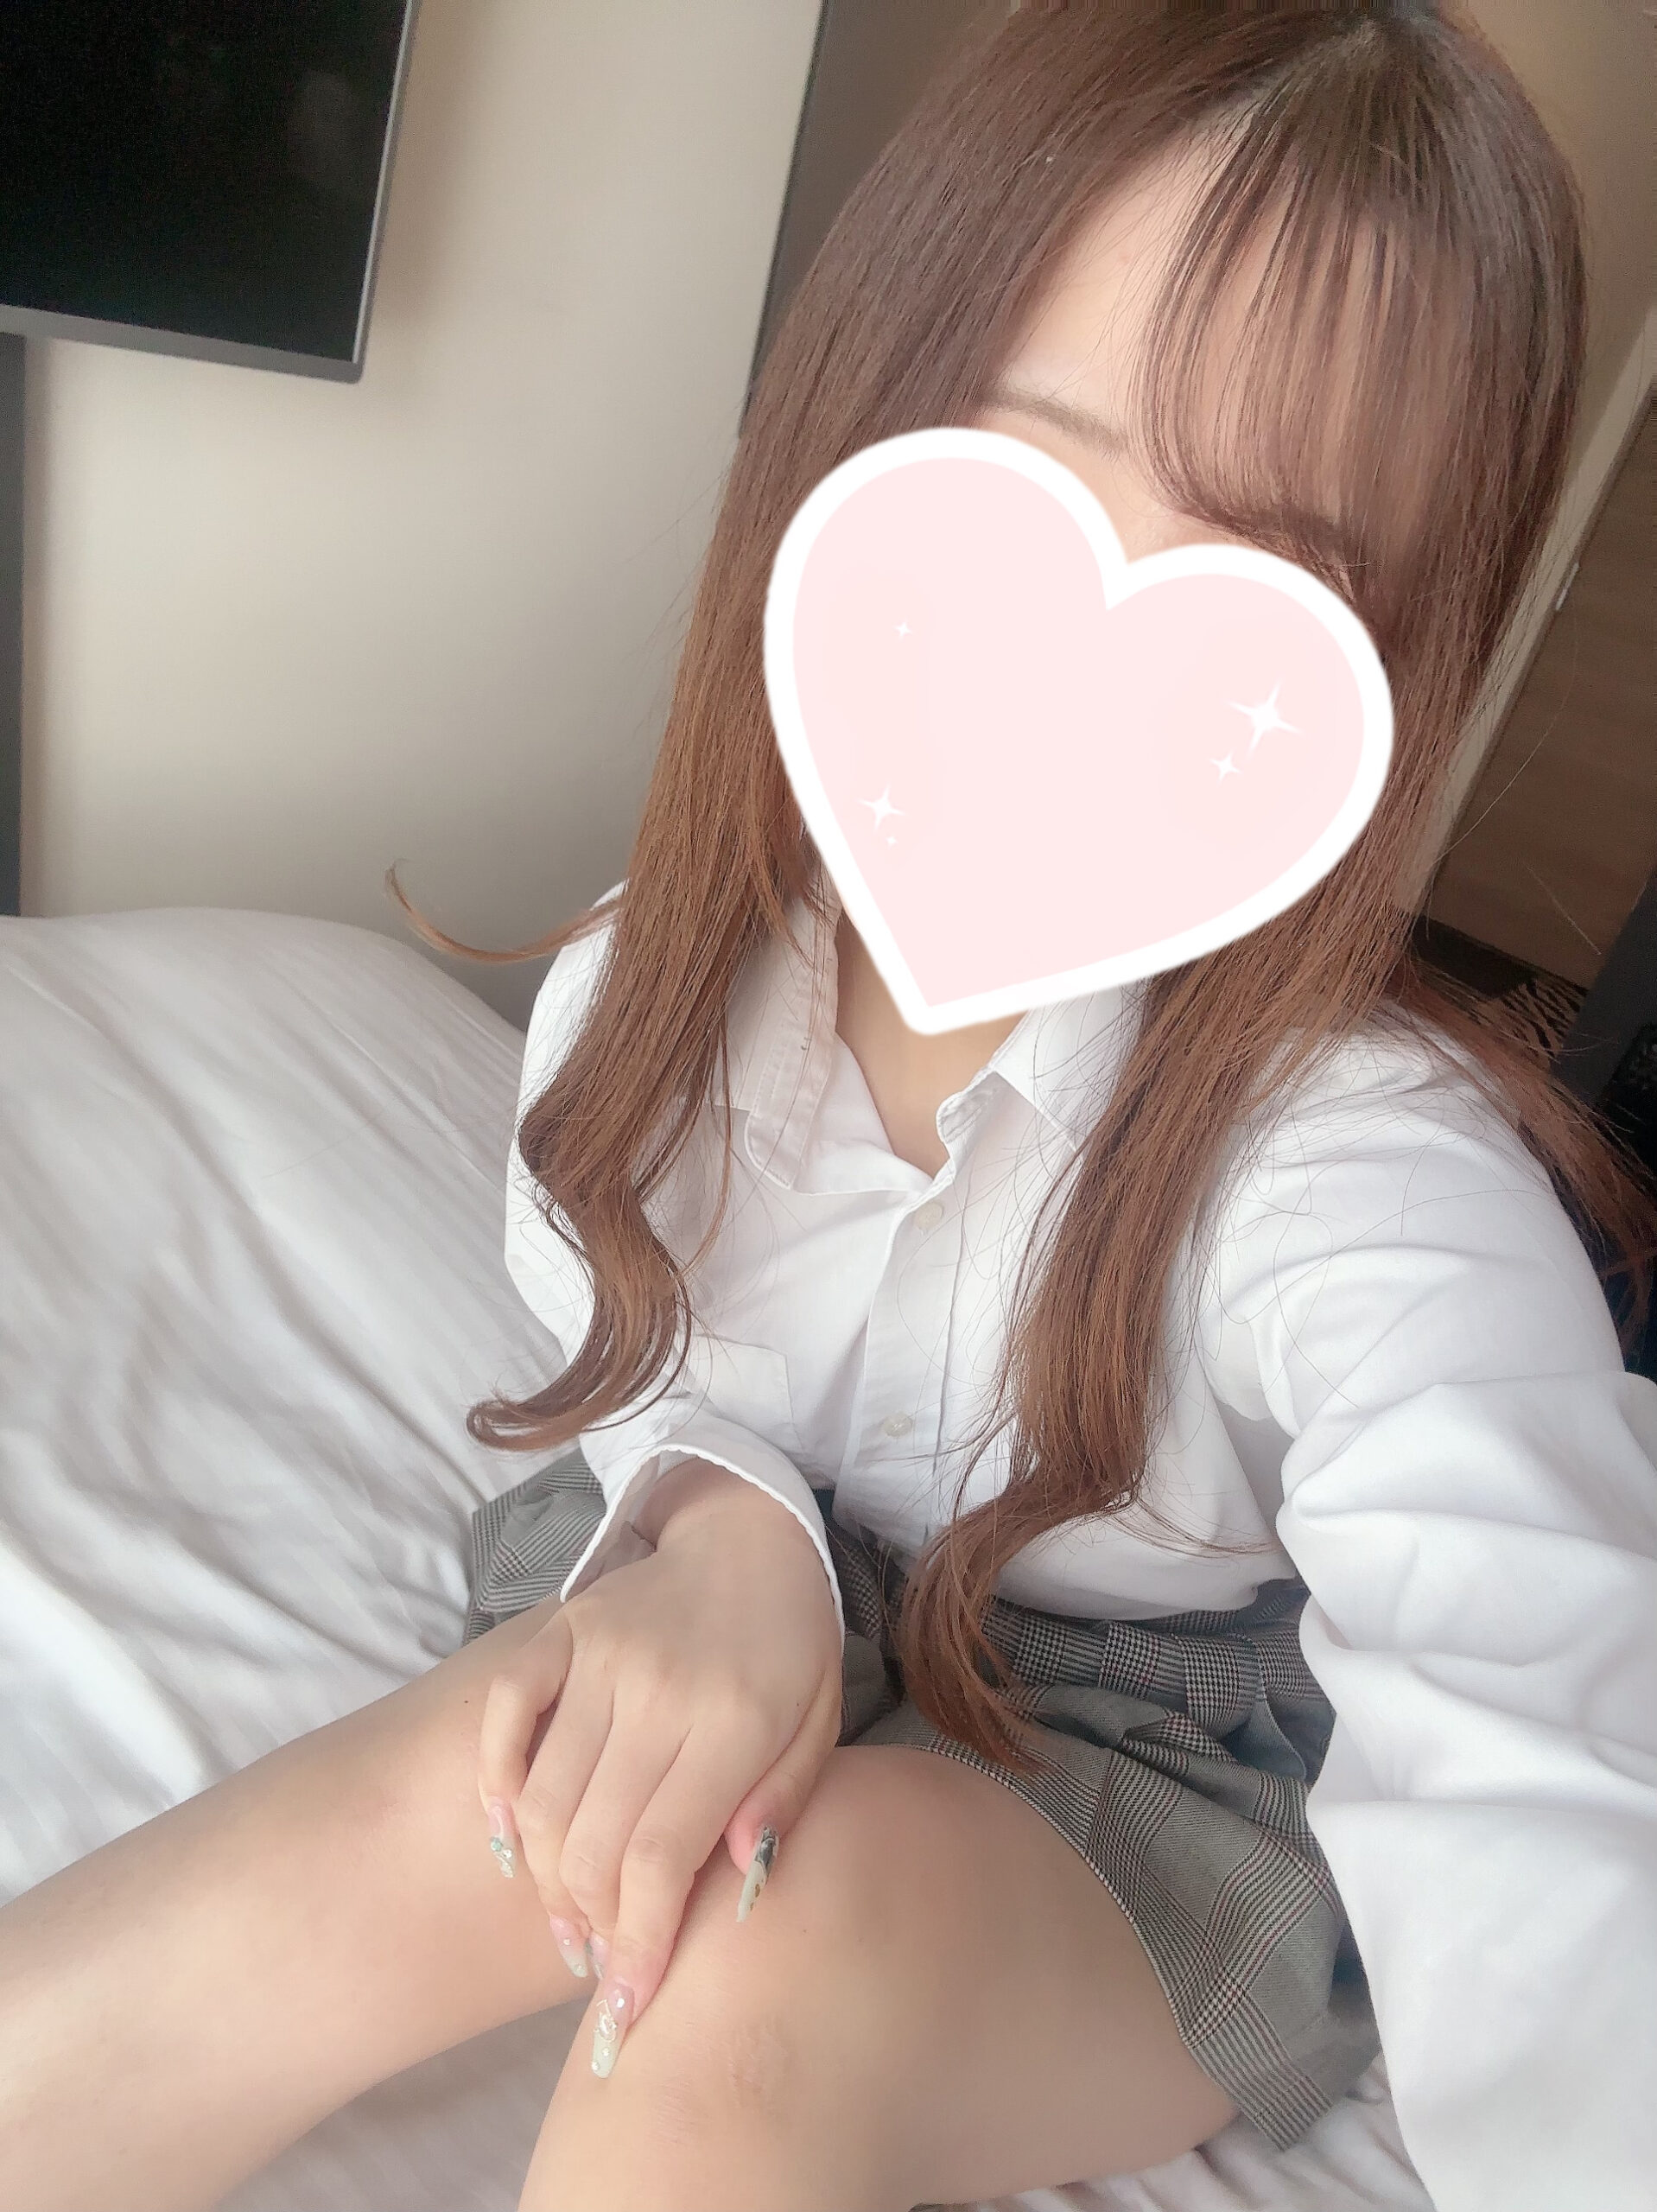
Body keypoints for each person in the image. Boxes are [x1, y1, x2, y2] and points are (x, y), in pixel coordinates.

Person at [3, 7, 1654, 2210]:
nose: (1089, 667)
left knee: (772, 1953)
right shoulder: (641, 1000)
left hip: (1133, 1749)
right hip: (722, 1586)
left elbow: (1538, 1709)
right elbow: (629, 1343)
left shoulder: (1353, 1174)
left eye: (1261, 594)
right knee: (417, 1815)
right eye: (1027, 478)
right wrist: (721, 1521)